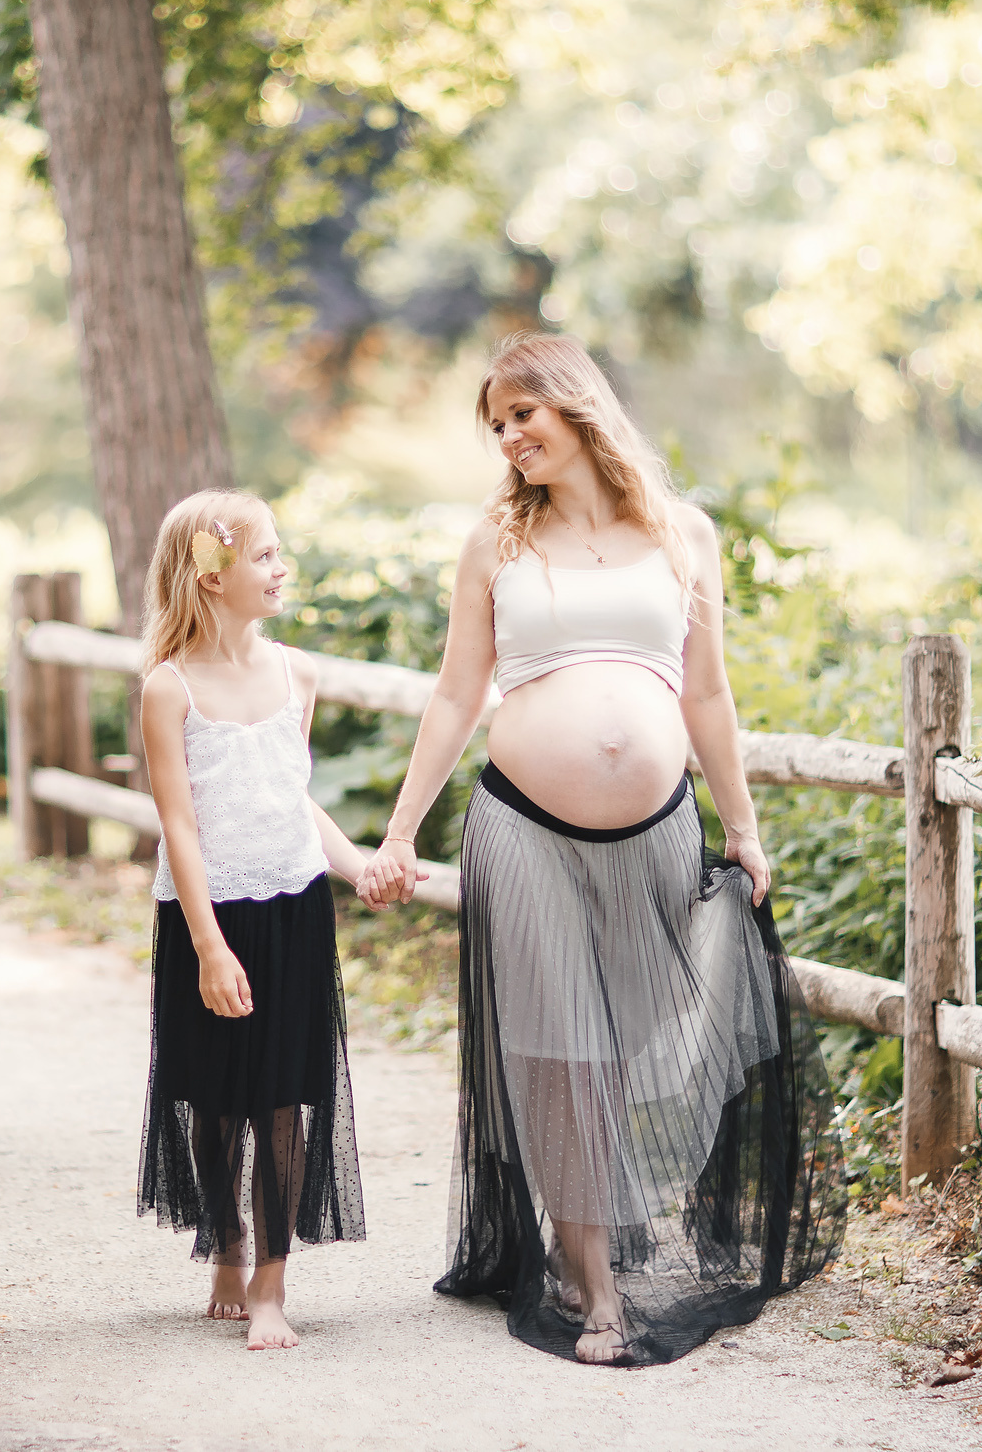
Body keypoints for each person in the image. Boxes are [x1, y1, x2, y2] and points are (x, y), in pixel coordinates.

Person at [359, 331, 844, 1369]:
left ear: (572, 403)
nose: (507, 437)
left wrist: (742, 826)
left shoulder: (682, 534)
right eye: (494, 424)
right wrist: (400, 832)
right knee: (560, 1051)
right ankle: (596, 1290)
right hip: (522, 827)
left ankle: (600, 1227)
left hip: (659, 825)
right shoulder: (495, 542)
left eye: (519, 414)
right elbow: (456, 693)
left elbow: (706, 691)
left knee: (632, 1049)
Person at [136, 489, 379, 1352]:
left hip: (294, 909)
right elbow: (180, 824)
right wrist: (207, 944)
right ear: (211, 573)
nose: (282, 568)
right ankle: (227, 1249)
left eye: (280, 551)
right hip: (205, 915)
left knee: (284, 1100)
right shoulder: (168, 689)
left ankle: (272, 1287)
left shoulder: (297, 674)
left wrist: (359, 864)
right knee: (212, 1097)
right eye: (265, 555)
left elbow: (290, 797)